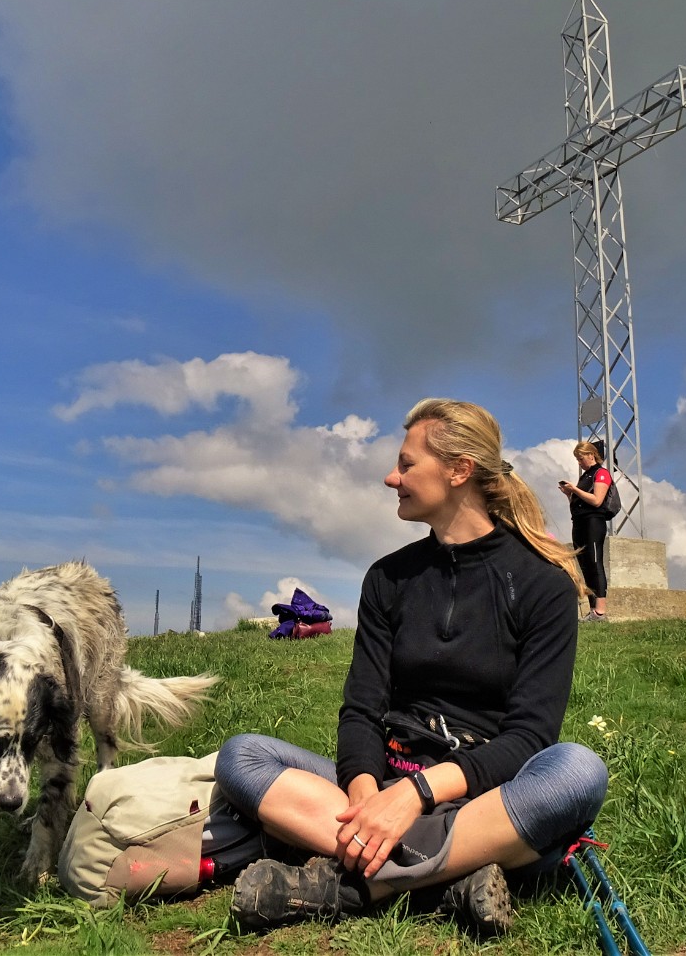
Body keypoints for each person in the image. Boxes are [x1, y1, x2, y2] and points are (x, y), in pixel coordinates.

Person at [214, 399, 608, 935]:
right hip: (386, 783)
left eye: (406, 464)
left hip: (482, 797)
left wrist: (416, 796)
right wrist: (365, 796)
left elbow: (531, 738)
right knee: (243, 756)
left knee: (577, 772)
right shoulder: (387, 579)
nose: (389, 477)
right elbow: (361, 710)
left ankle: (347, 885)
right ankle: (451, 874)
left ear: (458, 470)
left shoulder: (543, 585)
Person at [559, 441, 612, 621]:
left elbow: (597, 500)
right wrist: (570, 495)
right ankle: (592, 610)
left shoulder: (601, 473)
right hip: (579, 522)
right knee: (584, 564)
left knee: (594, 562)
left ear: (591, 455)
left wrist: (575, 489)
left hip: (593, 522)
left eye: (580, 458)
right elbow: (578, 505)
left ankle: (601, 610)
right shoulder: (585, 477)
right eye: (577, 459)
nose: (579, 463)